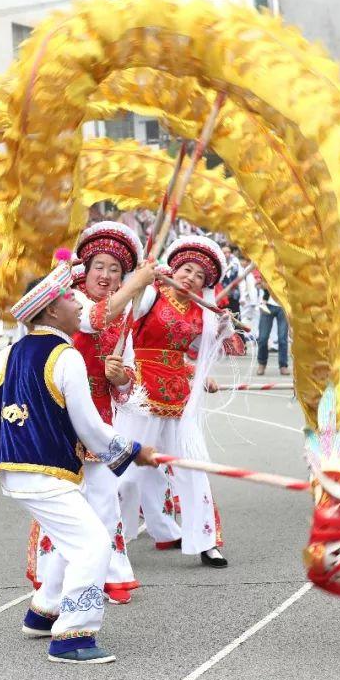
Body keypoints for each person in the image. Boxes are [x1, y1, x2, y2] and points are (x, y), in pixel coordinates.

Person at [0, 258, 159, 664]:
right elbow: (91, 429)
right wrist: (135, 452)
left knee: (74, 535)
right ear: (49, 311)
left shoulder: (13, 352)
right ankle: (72, 636)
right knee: (93, 543)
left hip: (24, 471)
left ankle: (43, 612)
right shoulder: (66, 356)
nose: (77, 302)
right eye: (68, 297)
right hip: (47, 472)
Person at [30, 221, 154, 606]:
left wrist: (119, 378)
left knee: (104, 497)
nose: (107, 275)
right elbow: (91, 321)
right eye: (100, 266)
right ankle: (53, 582)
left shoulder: (124, 317)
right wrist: (139, 283)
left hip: (99, 417)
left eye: (116, 270)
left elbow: (130, 376)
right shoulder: (68, 301)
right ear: (87, 268)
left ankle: (109, 576)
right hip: (59, 416)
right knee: (63, 498)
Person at [114, 235, 233, 568]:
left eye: (199, 276)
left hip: (179, 395)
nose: (191, 277)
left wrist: (204, 367)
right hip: (141, 391)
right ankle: (111, 538)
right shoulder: (152, 294)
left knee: (193, 468)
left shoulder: (201, 311)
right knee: (130, 472)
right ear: (175, 268)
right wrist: (140, 278)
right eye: (187, 269)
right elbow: (133, 304)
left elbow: (189, 353)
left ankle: (206, 541)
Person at [254, 270, 289, 376]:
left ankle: (283, 365)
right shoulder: (268, 266)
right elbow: (261, 284)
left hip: (283, 305)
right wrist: (265, 285)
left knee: (282, 339)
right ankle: (262, 363)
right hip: (267, 305)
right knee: (263, 338)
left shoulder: (288, 268)